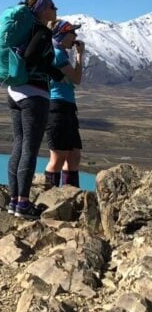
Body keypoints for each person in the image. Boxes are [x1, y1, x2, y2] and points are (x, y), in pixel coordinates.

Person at [1, 0, 64, 219]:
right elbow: (31, 57)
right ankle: (24, 203)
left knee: (19, 144)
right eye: (52, 6)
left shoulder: (25, 29)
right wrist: (54, 72)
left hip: (14, 92)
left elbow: (29, 57)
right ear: (43, 9)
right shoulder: (41, 31)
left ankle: (13, 201)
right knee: (30, 148)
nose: (56, 10)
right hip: (33, 95)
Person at [44, 20, 86, 189]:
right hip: (57, 108)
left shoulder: (59, 52)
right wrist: (79, 56)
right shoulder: (58, 54)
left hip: (67, 107)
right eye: (72, 33)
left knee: (74, 155)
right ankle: (50, 198)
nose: (75, 36)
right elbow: (76, 79)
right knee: (58, 157)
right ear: (62, 35)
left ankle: (70, 197)